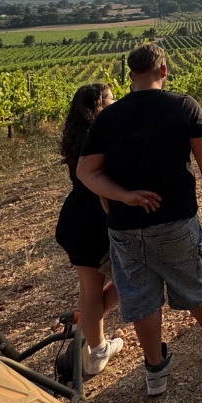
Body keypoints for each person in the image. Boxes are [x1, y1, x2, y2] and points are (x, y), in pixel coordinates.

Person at [77, 44, 202, 396]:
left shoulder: (108, 118)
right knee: (191, 278)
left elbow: (86, 171)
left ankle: (155, 370)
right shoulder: (183, 106)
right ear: (164, 70)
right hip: (174, 218)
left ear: (129, 77)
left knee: (141, 296)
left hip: (123, 226)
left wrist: (123, 196)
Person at [55, 83, 124, 376]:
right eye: (109, 99)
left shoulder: (76, 137)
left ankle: (93, 342)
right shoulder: (102, 136)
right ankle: (93, 344)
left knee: (89, 291)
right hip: (97, 221)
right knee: (135, 277)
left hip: (74, 219)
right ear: (96, 106)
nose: (115, 101)